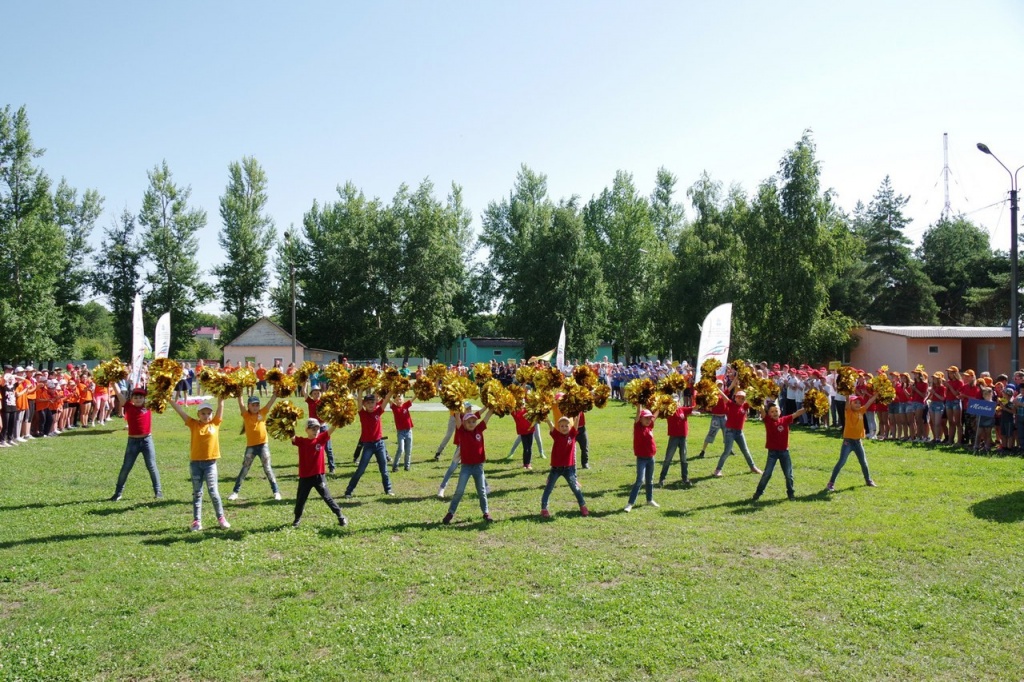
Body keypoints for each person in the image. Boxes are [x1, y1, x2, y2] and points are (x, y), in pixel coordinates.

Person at [170, 397, 230, 531]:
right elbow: (180, 412)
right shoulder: (193, 424)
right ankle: (197, 521)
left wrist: (221, 398)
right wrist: (170, 400)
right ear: (198, 414)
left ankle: (221, 518)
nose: (206, 416)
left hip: (210, 464)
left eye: (208, 413)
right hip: (195, 464)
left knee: (213, 492)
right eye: (203, 413)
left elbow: (220, 407)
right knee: (197, 493)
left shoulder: (215, 423)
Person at [291, 418, 347, 528]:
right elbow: (291, 436)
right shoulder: (302, 441)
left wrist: (338, 418)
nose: (316, 431)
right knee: (300, 499)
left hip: (319, 476)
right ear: (306, 430)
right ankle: (297, 518)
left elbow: (331, 429)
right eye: (312, 428)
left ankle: (340, 515)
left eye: (317, 428)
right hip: (305, 477)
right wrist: (289, 423)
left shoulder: (321, 439)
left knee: (327, 497)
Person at [442, 408, 494, 524]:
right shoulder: (462, 431)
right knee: (459, 491)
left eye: (473, 421)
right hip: (466, 467)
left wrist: (492, 407)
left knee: (481, 491)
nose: (471, 424)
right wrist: (455, 408)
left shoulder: (479, 429)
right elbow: (457, 417)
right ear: (463, 423)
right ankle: (451, 512)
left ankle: (486, 512)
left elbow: (487, 416)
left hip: (478, 467)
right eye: (468, 422)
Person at [109, 386, 162, 500]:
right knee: (126, 467)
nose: (138, 399)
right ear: (132, 399)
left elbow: (158, 394)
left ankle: (158, 491)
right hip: (132, 442)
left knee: (152, 466)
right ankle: (118, 493)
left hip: (147, 440)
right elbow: (118, 393)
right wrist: (113, 384)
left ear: (144, 399)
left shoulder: (148, 406)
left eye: (140, 397)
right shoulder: (128, 406)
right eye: (136, 397)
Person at [227, 392, 282, 501]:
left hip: (263, 445)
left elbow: (270, 403)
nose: (255, 407)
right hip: (251, 447)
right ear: (249, 406)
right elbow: (241, 404)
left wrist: (275, 394)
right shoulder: (246, 415)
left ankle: (276, 492)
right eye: (253, 405)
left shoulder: (263, 412)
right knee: (245, 469)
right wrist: (240, 394)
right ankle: (235, 492)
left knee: (268, 468)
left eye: (257, 405)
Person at [345, 391, 396, 498]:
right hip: (368, 445)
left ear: (375, 403)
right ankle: (349, 491)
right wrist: (360, 391)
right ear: (364, 404)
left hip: (379, 444)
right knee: (361, 469)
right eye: (368, 403)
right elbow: (358, 401)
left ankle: (388, 489)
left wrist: (391, 390)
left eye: (372, 403)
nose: (370, 405)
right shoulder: (362, 413)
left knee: (384, 469)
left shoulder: (378, 411)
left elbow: (386, 399)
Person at [753, 400, 806, 501]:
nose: (774, 413)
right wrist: (759, 399)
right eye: (772, 411)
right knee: (767, 474)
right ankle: (758, 492)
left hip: (784, 452)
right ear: (768, 414)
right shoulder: (767, 421)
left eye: (776, 411)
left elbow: (797, 413)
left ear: (780, 412)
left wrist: (807, 407)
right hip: (772, 453)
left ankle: (791, 493)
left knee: (789, 475)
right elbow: (762, 410)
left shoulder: (785, 420)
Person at [826, 392, 878, 492]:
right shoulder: (848, 411)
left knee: (863, 462)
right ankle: (831, 483)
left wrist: (876, 395)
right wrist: (847, 397)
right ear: (851, 404)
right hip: (848, 443)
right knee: (841, 462)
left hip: (858, 443)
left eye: (859, 403)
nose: (858, 404)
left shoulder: (861, 411)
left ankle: (868, 480)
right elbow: (847, 403)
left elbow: (869, 402)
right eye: (855, 402)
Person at [539, 414, 588, 518]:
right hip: (555, 469)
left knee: (575, 488)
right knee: (548, 488)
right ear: (558, 427)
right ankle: (544, 508)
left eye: (566, 426)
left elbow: (576, 424)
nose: (564, 428)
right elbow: (550, 425)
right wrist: (546, 418)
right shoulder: (556, 435)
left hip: (568, 469)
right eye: (561, 426)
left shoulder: (572, 434)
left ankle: (583, 506)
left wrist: (578, 414)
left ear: (569, 426)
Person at [712, 388, 763, 478]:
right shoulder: (731, 404)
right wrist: (718, 389)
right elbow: (724, 397)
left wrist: (760, 390)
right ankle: (717, 470)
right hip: (729, 432)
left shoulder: (745, 406)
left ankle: (753, 467)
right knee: (727, 451)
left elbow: (755, 400)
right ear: (735, 398)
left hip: (739, 432)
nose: (741, 400)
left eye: (743, 398)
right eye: (739, 398)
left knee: (746, 451)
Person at [625, 405, 660, 512]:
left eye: (649, 418)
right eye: (646, 418)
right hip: (641, 459)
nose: (648, 420)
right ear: (640, 418)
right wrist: (639, 404)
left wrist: (661, 404)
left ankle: (649, 500)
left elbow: (655, 416)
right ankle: (630, 503)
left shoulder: (650, 426)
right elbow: (638, 413)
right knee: (640, 480)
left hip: (651, 458)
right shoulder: (638, 427)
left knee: (650, 480)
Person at [658, 400, 694, 488]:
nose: (675, 403)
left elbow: (694, 408)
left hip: (683, 438)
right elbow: (659, 411)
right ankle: (662, 478)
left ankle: (685, 478)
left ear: (679, 402)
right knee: (668, 458)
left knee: (684, 458)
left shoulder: (683, 409)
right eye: (673, 402)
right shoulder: (668, 411)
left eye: (676, 401)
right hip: (673, 437)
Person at [304, 384, 335, 473]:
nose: (317, 395)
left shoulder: (322, 401)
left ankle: (332, 467)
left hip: (323, 427)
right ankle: (313, 466)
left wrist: (330, 387)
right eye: (314, 393)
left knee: (328, 448)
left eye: (318, 393)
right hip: (313, 428)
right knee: (313, 448)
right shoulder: (310, 401)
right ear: (312, 394)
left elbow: (328, 393)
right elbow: (304, 392)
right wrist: (304, 385)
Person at [695, 380, 727, 459]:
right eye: (718, 385)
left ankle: (729, 449)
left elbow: (733, 385)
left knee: (727, 435)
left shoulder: (724, 393)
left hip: (724, 417)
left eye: (721, 385)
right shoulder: (711, 395)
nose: (720, 386)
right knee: (711, 434)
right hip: (716, 417)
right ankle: (703, 451)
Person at [389, 392, 415, 472]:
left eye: (400, 399)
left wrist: (418, 393)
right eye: (396, 399)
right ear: (394, 401)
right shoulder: (394, 407)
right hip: (400, 432)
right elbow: (387, 399)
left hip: (408, 431)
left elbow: (413, 398)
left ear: (403, 400)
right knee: (401, 449)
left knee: (408, 450)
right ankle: (395, 466)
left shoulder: (406, 405)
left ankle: (407, 466)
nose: (399, 401)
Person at [510, 404, 538, 470]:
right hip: (523, 433)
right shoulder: (516, 412)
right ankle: (525, 464)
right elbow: (510, 411)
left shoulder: (528, 409)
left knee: (529, 447)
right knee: (526, 448)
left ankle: (528, 463)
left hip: (530, 431)